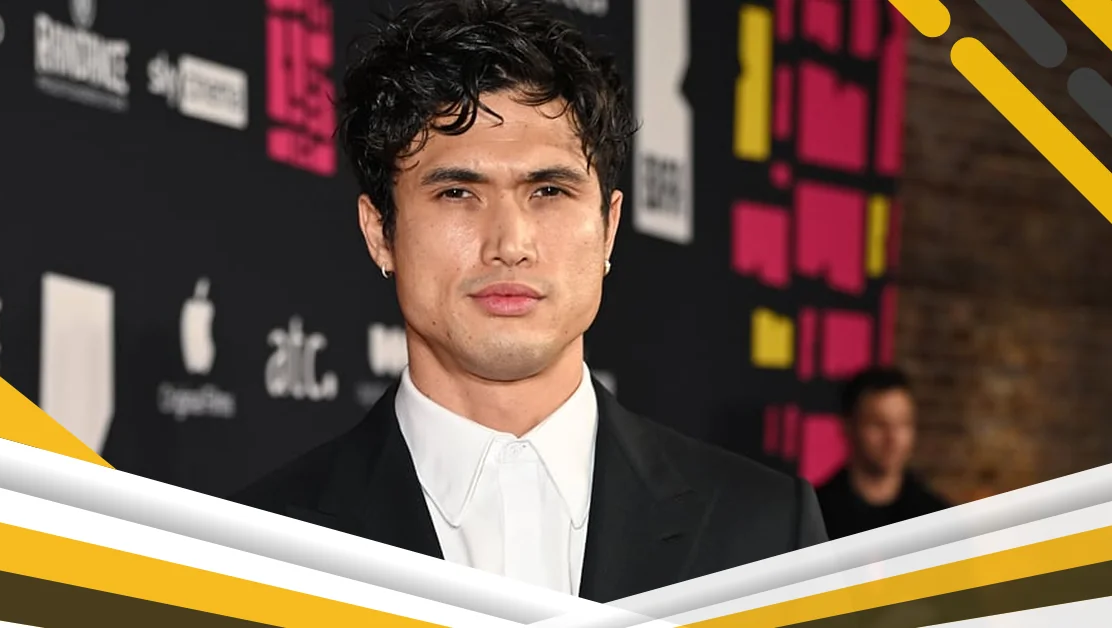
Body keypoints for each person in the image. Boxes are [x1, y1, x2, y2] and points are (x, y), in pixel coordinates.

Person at [233, 0, 827, 601]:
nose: (510, 245)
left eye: (548, 190)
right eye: (457, 192)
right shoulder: (257, 552)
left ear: (608, 228)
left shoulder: (766, 531)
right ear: (380, 233)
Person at [817, 367, 950, 540]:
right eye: (878, 424)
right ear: (849, 426)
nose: (893, 438)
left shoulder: (938, 520)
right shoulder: (816, 515)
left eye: (903, 423)